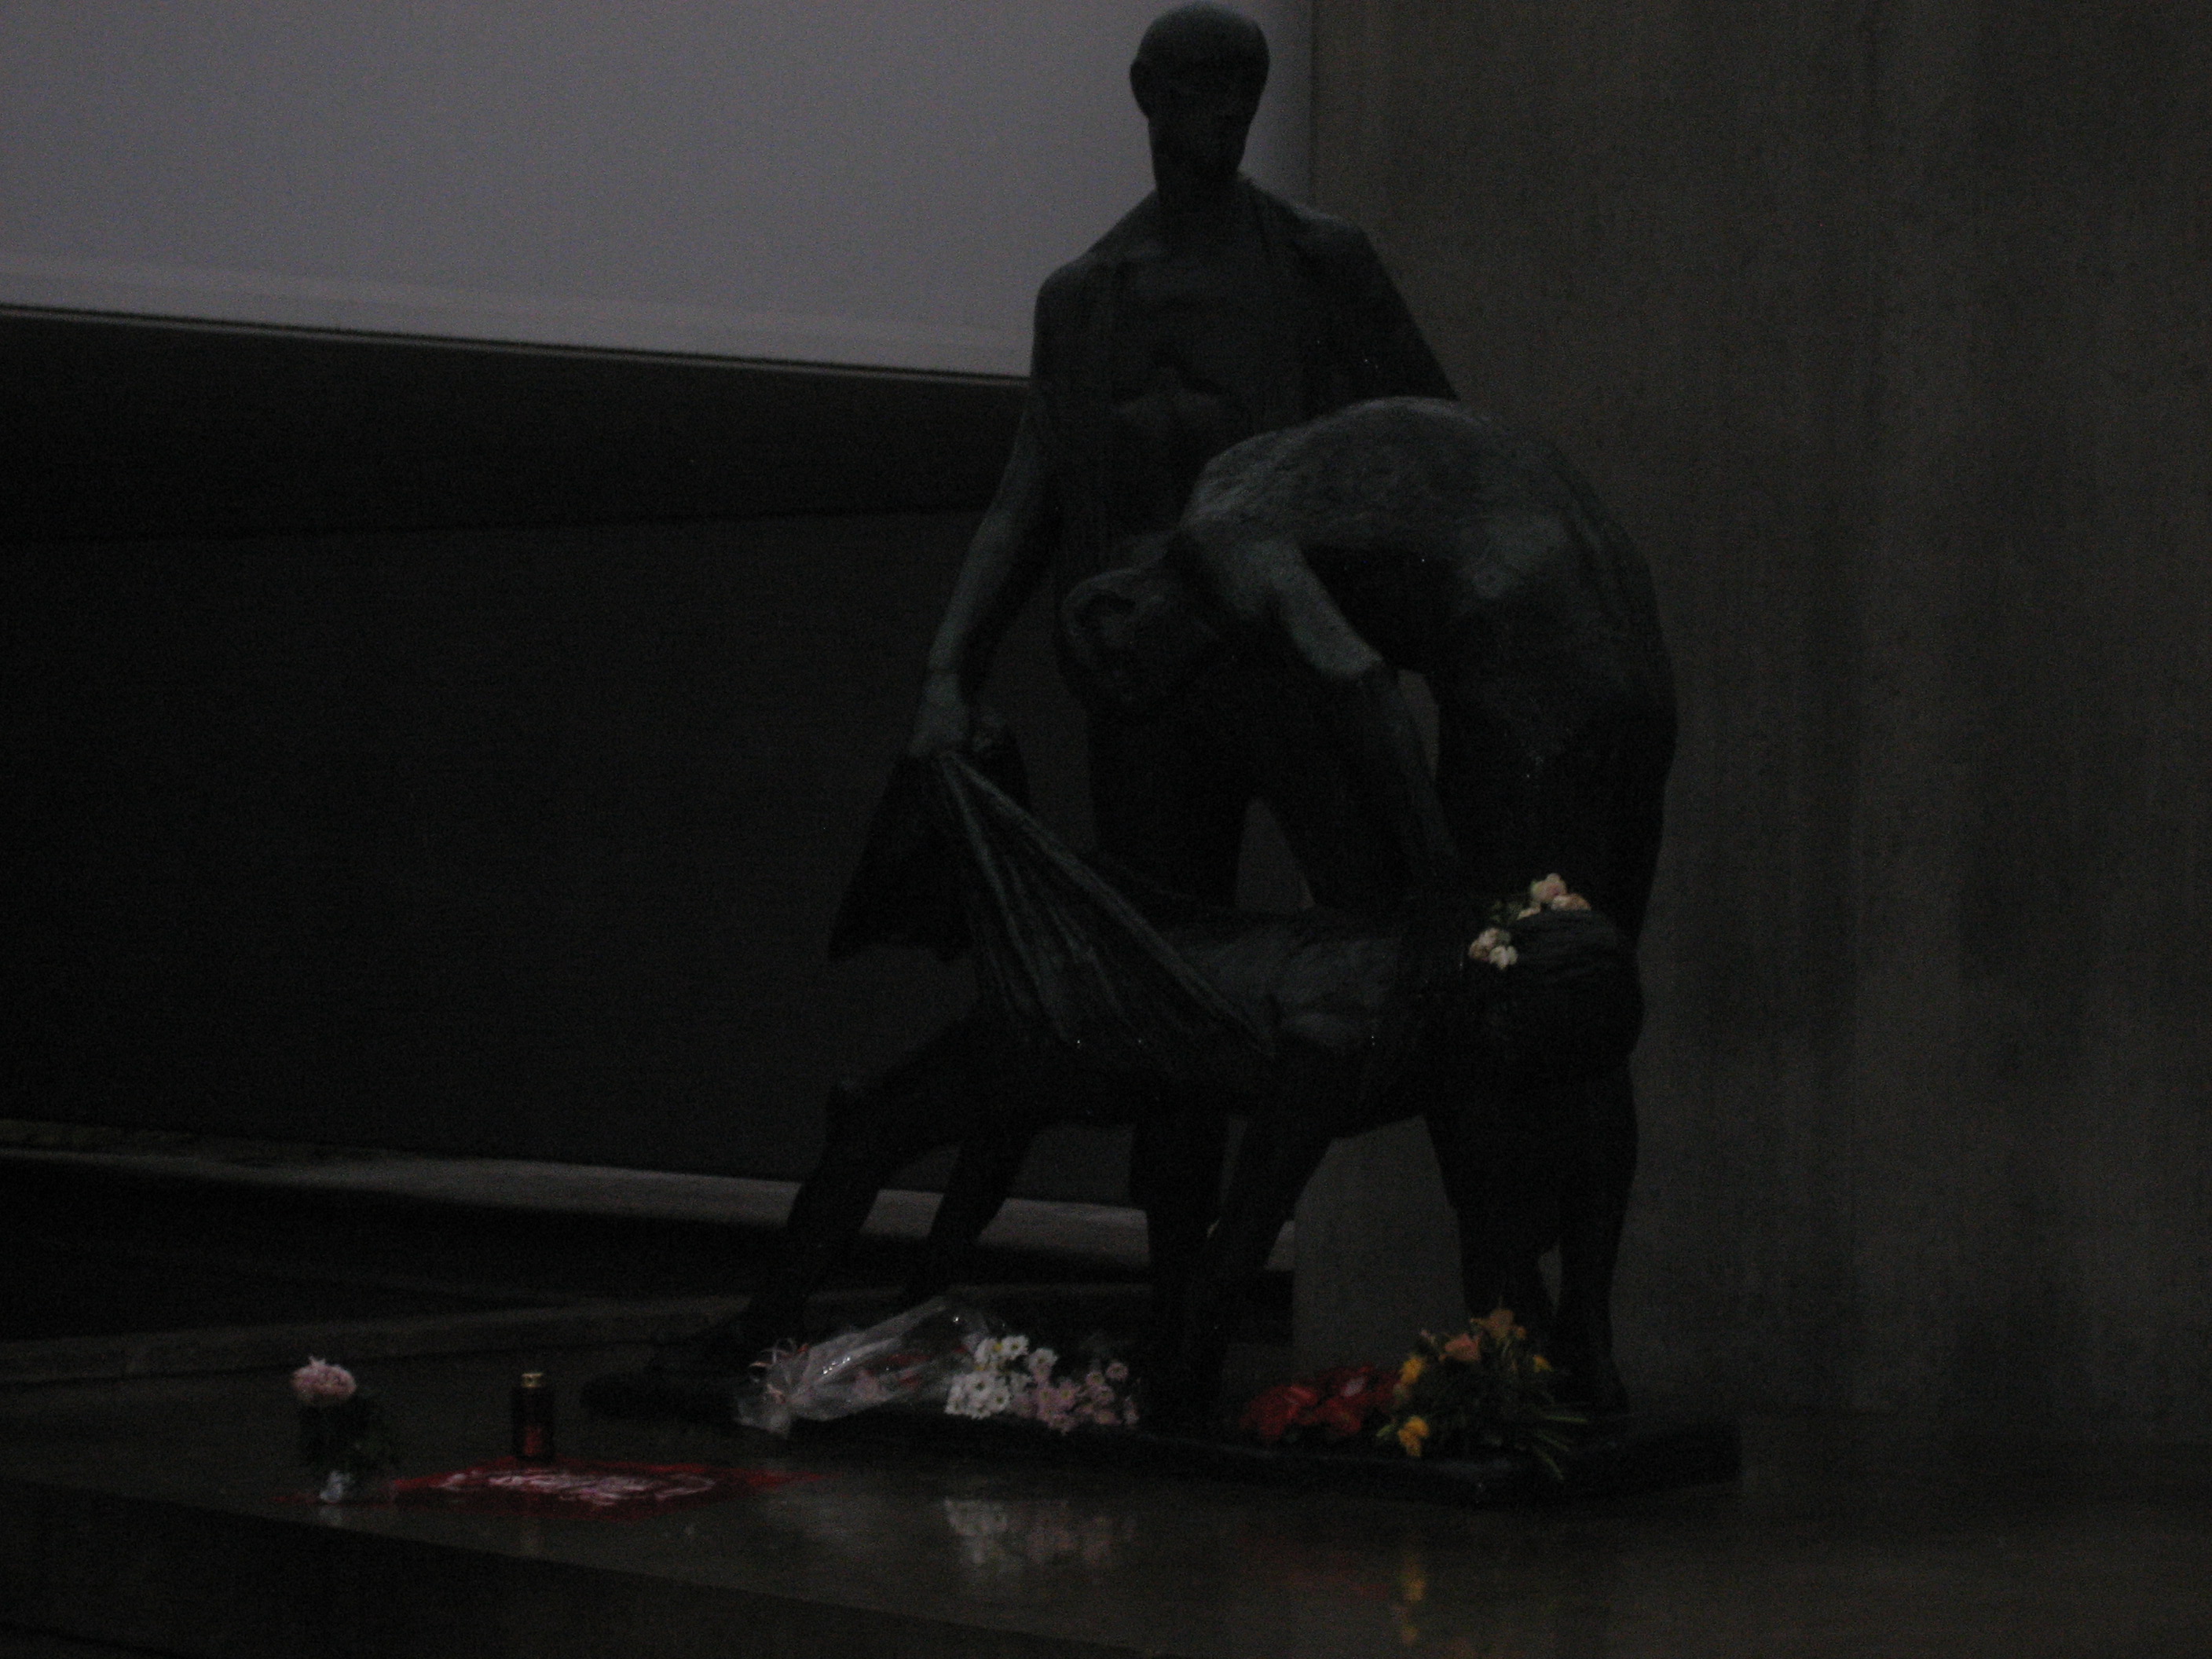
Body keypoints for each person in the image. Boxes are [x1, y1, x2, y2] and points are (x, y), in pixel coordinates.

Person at [906, 2, 1457, 1292]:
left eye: (1244, 88)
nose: (1228, 112)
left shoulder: (1319, 262)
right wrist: (947, 670)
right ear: (1145, 94)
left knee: (1392, 950)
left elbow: (1428, 445)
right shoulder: (1083, 296)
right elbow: (1028, 496)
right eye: (1203, 86)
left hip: (1288, 670)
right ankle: (1173, 1295)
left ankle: (1486, 1275)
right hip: (1147, 690)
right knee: (1159, 989)